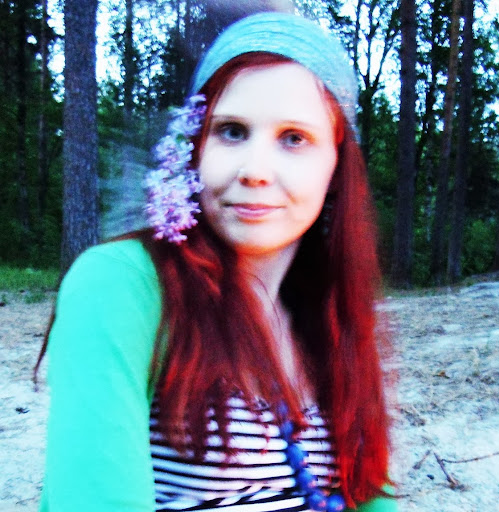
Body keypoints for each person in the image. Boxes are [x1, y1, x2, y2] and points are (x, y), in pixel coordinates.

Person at [38, 12, 397, 512]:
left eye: (294, 138)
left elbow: (371, 495)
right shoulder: (122, 284)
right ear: (194, 146)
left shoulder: (332, 313)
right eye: (231, 131)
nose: (255, 171)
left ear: (336, 166)